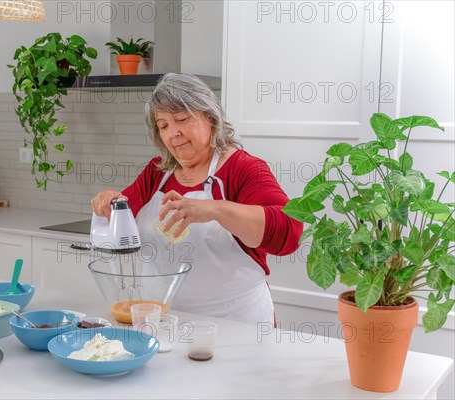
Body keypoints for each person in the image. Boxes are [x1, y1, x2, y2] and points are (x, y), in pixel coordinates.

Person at [91, 73, 303, 324]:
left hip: (237, 325)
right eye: (164, 125)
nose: (174, 133)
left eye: (181, 119)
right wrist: (109, 202)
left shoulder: (244, 169)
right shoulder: (157, 172)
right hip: (164, 321)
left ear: (210, 118)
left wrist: (215, 210)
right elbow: (123, 213)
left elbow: (289, 232)